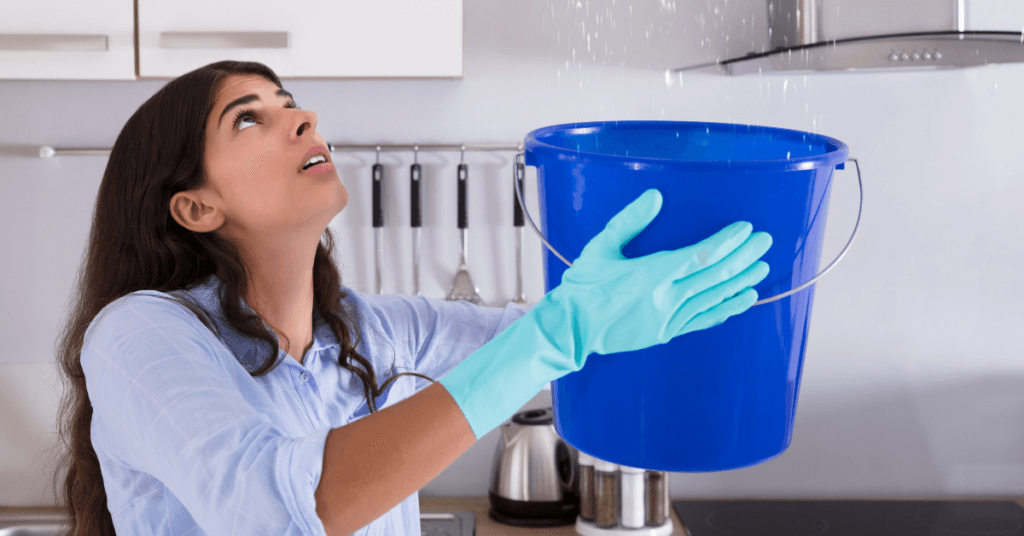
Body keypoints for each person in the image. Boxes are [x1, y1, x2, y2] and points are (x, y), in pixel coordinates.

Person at [52, 60, 772, 536]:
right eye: (249, 119)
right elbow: (273, 510)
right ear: (195, 208)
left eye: (291, 104)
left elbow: (558, 345)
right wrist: (561, 330)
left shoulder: (368, 333)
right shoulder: (139, 334)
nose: (302, 121)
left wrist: (639, 289)